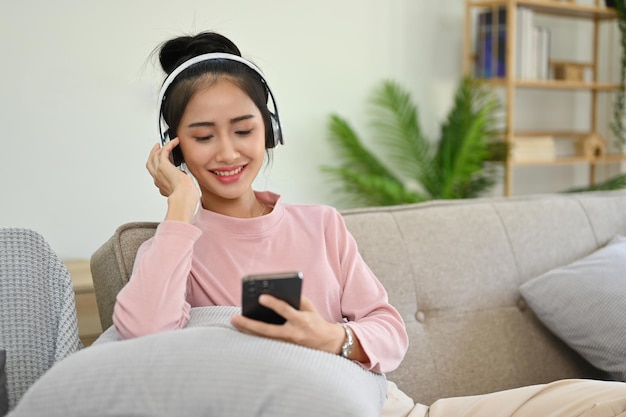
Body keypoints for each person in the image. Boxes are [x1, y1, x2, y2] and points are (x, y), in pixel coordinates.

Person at [112, 31, 409, 377]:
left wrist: (329, 337)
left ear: (269, 131)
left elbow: (391, 334)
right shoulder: (172, 251)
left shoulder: (323, 225)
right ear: (175, 149)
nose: (226, 152)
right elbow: (143, 336)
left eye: (243, 131)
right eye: (203, 137)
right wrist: (179, 206)